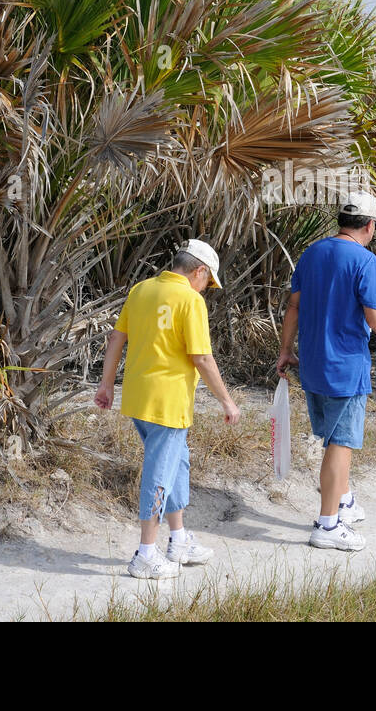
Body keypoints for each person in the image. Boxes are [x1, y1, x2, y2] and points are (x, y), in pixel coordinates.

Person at [276, 192, 376, 551]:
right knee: (340, 443)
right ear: (370, 226)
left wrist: (285, 350)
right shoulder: (366, 262)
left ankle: (342, 501)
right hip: (345, 367)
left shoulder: (311, 253)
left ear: (340, 220)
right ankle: (327, 525)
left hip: (311, 364)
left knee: (332, 438)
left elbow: (293, 308)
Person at [95, 239, 241, 579]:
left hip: (138, 397)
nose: (206, 289)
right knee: (160, 472)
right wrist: (227, 401)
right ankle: (146, 553)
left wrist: (105, 384)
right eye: (208, 282)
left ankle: (178, 540)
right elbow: (201, 358)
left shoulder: (142, 290)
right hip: (169, 402)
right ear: (199, 271)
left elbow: (117, 338)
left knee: (177, 463)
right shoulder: (190, 300)